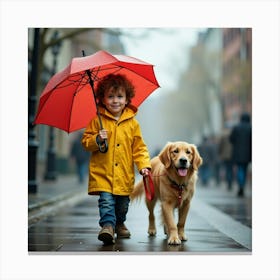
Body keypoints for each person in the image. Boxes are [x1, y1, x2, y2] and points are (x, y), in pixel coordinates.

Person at [81, 74, 151, 245]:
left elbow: (139, 148)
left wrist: (144, 165)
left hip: (124, 175)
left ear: (127, 99)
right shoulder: (97, 122)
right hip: (102, 173)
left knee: (122, 205)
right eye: (110, 96)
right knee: (106, 202)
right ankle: (107, 226)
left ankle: (119, 223)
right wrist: (97, 139)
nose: (115, 101)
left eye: (119, 96)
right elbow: (86, 143)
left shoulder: (133, 124)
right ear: (103, 99)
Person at [230, 112, 252, 197]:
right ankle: (242, 185)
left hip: (238, 153)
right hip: (248, 153)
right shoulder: (250, 128)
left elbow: (231, 139)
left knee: (240, 169)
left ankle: (241, 186)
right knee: (245, 169)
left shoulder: (236, 128)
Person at [218, 126, 233, 190]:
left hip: (225, 156)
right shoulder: (233, 136)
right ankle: (230, 183)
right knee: (230, 169)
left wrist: (220, 153)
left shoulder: (223, 137)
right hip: (232, 155)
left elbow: (220, 146)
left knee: (227, 169)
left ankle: (228, 182)